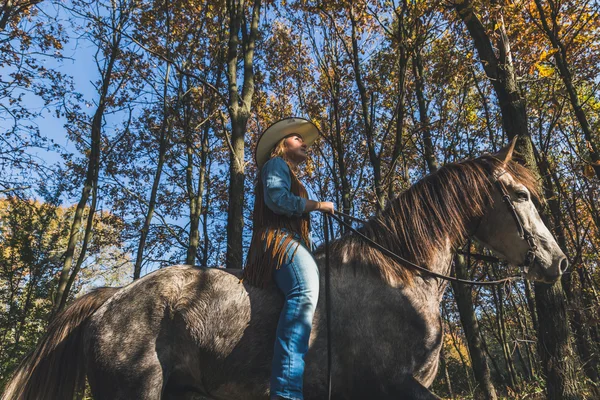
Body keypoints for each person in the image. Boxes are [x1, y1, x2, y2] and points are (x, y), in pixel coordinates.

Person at [242, 117, 334, 400]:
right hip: (277, 239)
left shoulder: (292, 173)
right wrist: (317, 205)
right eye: (297, 139)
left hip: (292, 240)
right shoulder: (276, 165)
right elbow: (276, 199)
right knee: (304, 291)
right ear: (283, 145)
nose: (304, 143)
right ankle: (286, 393)